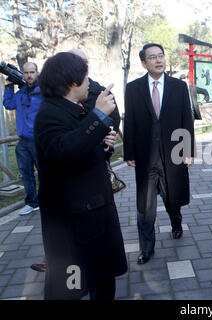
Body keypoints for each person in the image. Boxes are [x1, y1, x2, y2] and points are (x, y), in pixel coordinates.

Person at [34, 52, 127, 299]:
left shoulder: (76, 108)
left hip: (94, 211)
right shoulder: (49, 114)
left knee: (103, 277)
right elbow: (64, 151)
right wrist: (97, 116)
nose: (90, 83)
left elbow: (84, 147)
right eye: (86, 78)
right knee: (71, 287)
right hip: (73, 223)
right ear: (71, 83)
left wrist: (104, 145)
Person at [123, 43, 195, 265]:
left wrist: (188, 151)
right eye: (152, 57)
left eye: (161, 55)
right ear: (144, 63)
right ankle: (147, 248)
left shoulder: (179, 87)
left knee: (171, 197)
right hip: (146, 157)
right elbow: (131, 122)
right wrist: (129, 152)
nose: (158, 60)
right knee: (145, 206)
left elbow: (186, 119)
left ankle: (176, 222)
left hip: (173, 154)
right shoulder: (134, 88)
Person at [3, 62, 42, 216]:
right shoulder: (21, 93)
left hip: (39, 140)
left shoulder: (44, 92)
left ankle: (50, 200)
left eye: (32, 72)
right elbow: (8, 104)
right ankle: (32, 203)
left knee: (45, 173)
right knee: (26, 174)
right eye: (26, 73)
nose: (29, 75)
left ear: (37, 72)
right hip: (23, 141)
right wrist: (8, 87)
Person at [68, 49, 121, 132]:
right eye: (78, 61)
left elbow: (114, 123)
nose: (83, 65)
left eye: (85, 61)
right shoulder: (58, 96)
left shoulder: (102, 93)